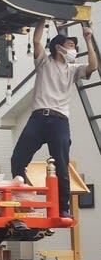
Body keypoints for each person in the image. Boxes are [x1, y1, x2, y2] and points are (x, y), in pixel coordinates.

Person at [11, 19, 97, 219]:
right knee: (18, 159)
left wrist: (88, 40)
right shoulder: (44, 62)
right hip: (39, 117)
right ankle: (26, 196)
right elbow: (37, 40)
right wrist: (41, 18)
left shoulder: (72, 68)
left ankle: (62, 207)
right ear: (58, 47)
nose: (74, 48)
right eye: (71, 45)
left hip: (59, 120)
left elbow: (93, 66)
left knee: (61, 164)